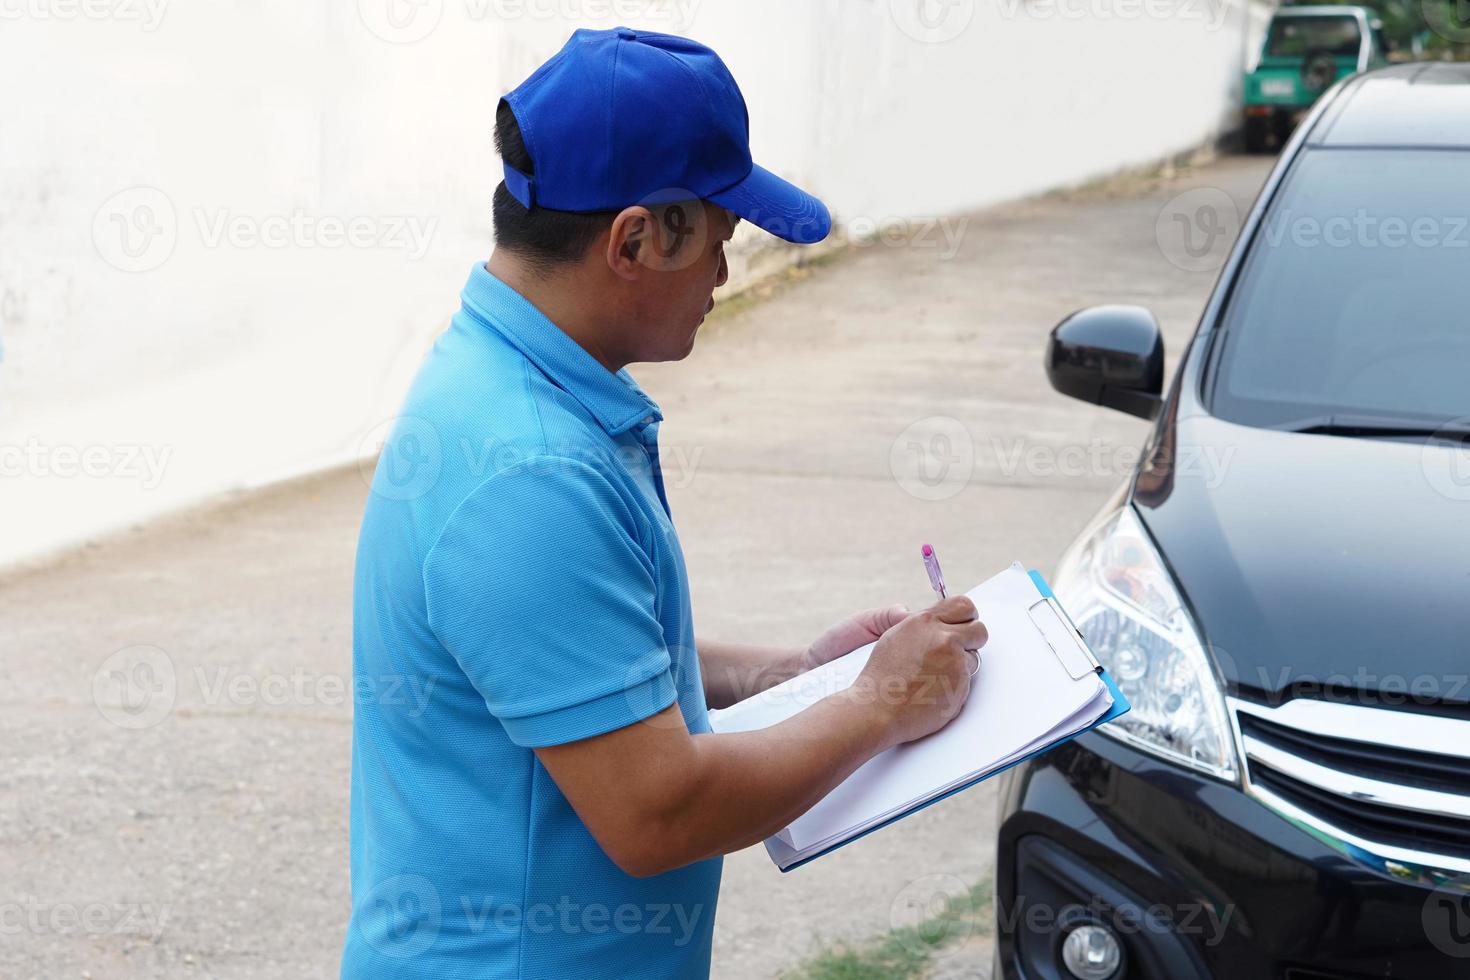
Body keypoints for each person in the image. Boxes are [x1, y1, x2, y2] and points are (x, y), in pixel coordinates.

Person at [341, 26, 987, 980]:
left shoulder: (504, 381)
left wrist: (789, 676)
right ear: (636, 239)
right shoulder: (530, 471)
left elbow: (590, 670)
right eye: (721, 241)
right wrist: (881, 702)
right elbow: (658, 810)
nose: (724, 276)